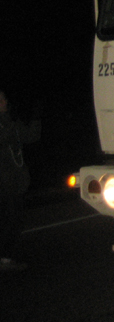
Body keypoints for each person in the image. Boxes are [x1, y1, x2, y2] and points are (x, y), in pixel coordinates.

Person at [0, 90, 41, 272]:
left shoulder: (9, 121)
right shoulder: (6, 124)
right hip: (4, 183)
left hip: (14, 182)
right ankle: (5, 259)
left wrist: (36, 117)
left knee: (13, 220)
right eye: (0, 100)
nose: (4, 102)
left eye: (4, 98)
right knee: (10, 220)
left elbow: (29, 136)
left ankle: (5, 258)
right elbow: (7, 136)